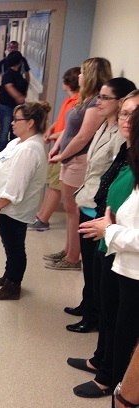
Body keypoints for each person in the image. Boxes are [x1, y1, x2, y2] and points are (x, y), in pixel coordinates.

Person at [79, 107, 139, 408]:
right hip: (124, 268)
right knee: (119, 347)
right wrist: (111, 224)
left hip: (134, 274)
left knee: (126, 358)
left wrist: (111, 232)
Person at [66, 79, 136, 335]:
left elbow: (113, 175)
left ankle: (93, 315)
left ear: (120, 102)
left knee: (98, 272)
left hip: (103, 209)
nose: (98, 101)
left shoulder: (123, 136)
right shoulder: (105, 126)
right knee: (90, 267)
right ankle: (87, 305)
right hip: (89, 201)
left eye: (106, 98)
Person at [0, 102, 51, 300]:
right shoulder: (17, 143)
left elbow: (16, 187)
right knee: (10, 245)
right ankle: (8, 276)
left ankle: (13, 286)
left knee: (15, 248)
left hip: (14, 209)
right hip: (7, 207)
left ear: (30, 122)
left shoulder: (29, 150)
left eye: (17, 119)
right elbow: (0, 163)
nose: (13, 123)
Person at [45, 57, 112, 271]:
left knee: (73, 210)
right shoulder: (85, 99)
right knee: (69, 209)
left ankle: (73, 258)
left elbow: (83, 137)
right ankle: (67, 249)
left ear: (91, 75)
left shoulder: (95, 103)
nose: (79, 76)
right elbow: (70, 129)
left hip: (78, 160)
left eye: (83, 72)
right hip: (69, 157)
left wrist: (63, 155)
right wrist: (58, 146)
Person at [29, 67, 81, 230]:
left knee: (55, 186)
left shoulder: (78, 103)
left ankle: (43, 219)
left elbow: (72, 131)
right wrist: (51, 129)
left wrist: (54, 136)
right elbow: (61, 121)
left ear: (67, 83)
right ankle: (40, 214)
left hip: (67, 149)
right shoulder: (68, 100)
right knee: (51, 182)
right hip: (59, 147)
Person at [0, 51, 28, 151]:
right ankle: (2, 155)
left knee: (14, 133)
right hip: (6, 107)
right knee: (4, 133)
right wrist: (20, 98)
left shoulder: (18, 75)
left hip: (15, 108)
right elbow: (9, 87)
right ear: (19, 62)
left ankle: (11, 153)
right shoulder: (8, 75)